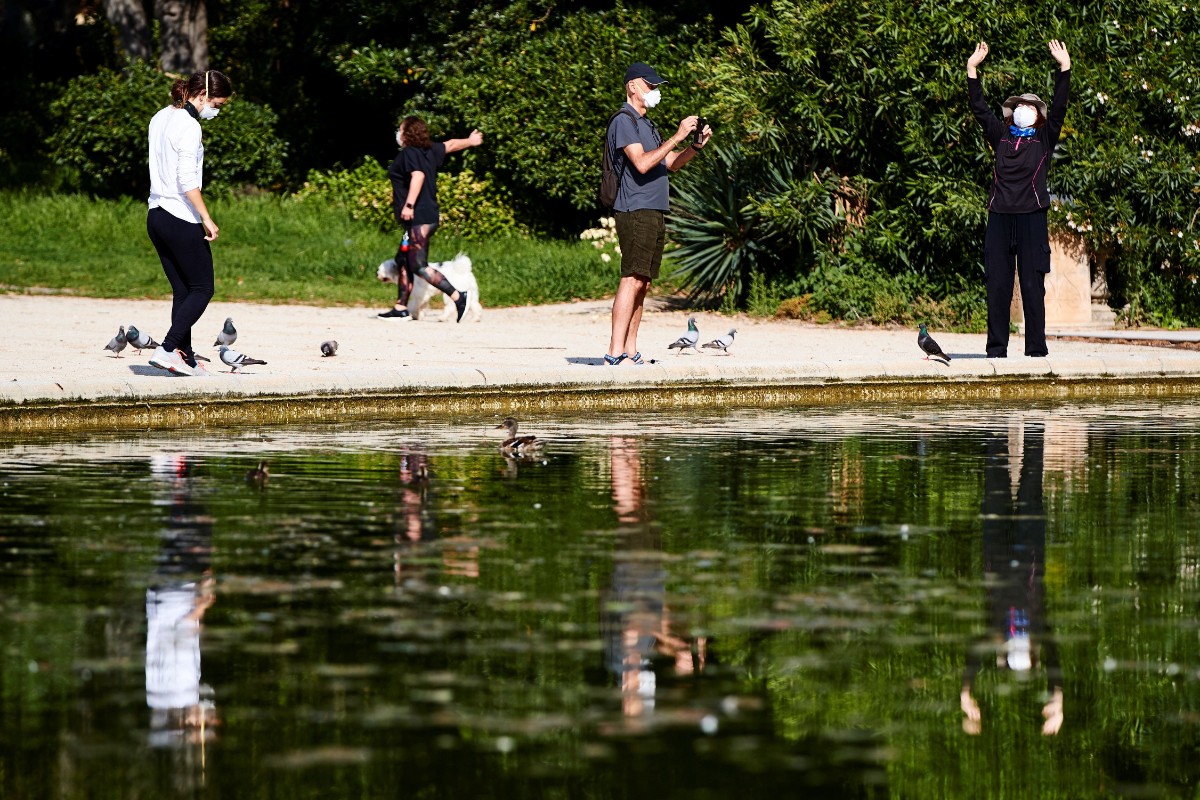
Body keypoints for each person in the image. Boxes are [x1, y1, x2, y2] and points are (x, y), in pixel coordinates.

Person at [967, 41, 1072, 358]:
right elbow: (980, 110)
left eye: (1031, 107)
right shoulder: (1000, 134)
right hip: (999, 217)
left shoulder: (1043, 137)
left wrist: (1064, 68)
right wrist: (972, 69)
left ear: (1037, 116)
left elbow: (1059, 109)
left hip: (1032, 218)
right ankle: (996, 349)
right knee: (997, 285)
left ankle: (1036, 351)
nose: (1024, 110)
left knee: (1031, 286)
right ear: (1013, 114)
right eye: (1020, 107)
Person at [603, 62, 712, 365]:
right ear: (632, 86)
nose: (655, 90)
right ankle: (613, 351)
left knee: (644, 281)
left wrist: (695, 146)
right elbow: (640, 163)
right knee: (631, 278)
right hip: (634, 208)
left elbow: (671, 163)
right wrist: (677, 135)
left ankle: (630, 348)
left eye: (656, 85)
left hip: (654, 208)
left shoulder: (646, 124)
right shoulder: (624, 121)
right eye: (649, 85)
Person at [146, 69, 232, 377]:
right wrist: (206, 218)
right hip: (179, 216)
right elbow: (186, 180)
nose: (216, 111)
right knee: (203, 288)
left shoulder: (160, 117)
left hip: (155, 214)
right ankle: (167, 349)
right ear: (203, 96)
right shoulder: (189, 126)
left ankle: (185, 357)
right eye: (217, 104)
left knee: (183, 290)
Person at [378, 116, 483, 322]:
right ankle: (401, 308)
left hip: (419, 217)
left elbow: (418, 176)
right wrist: (470, 141)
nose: (398, 134)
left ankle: (458, 296)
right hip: (423, 217)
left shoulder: (410, 153)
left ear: (407, 133)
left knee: (418, 265)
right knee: (404, 261)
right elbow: (451, 144)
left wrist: (408, 205)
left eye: (400, 130)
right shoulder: (430, 150)